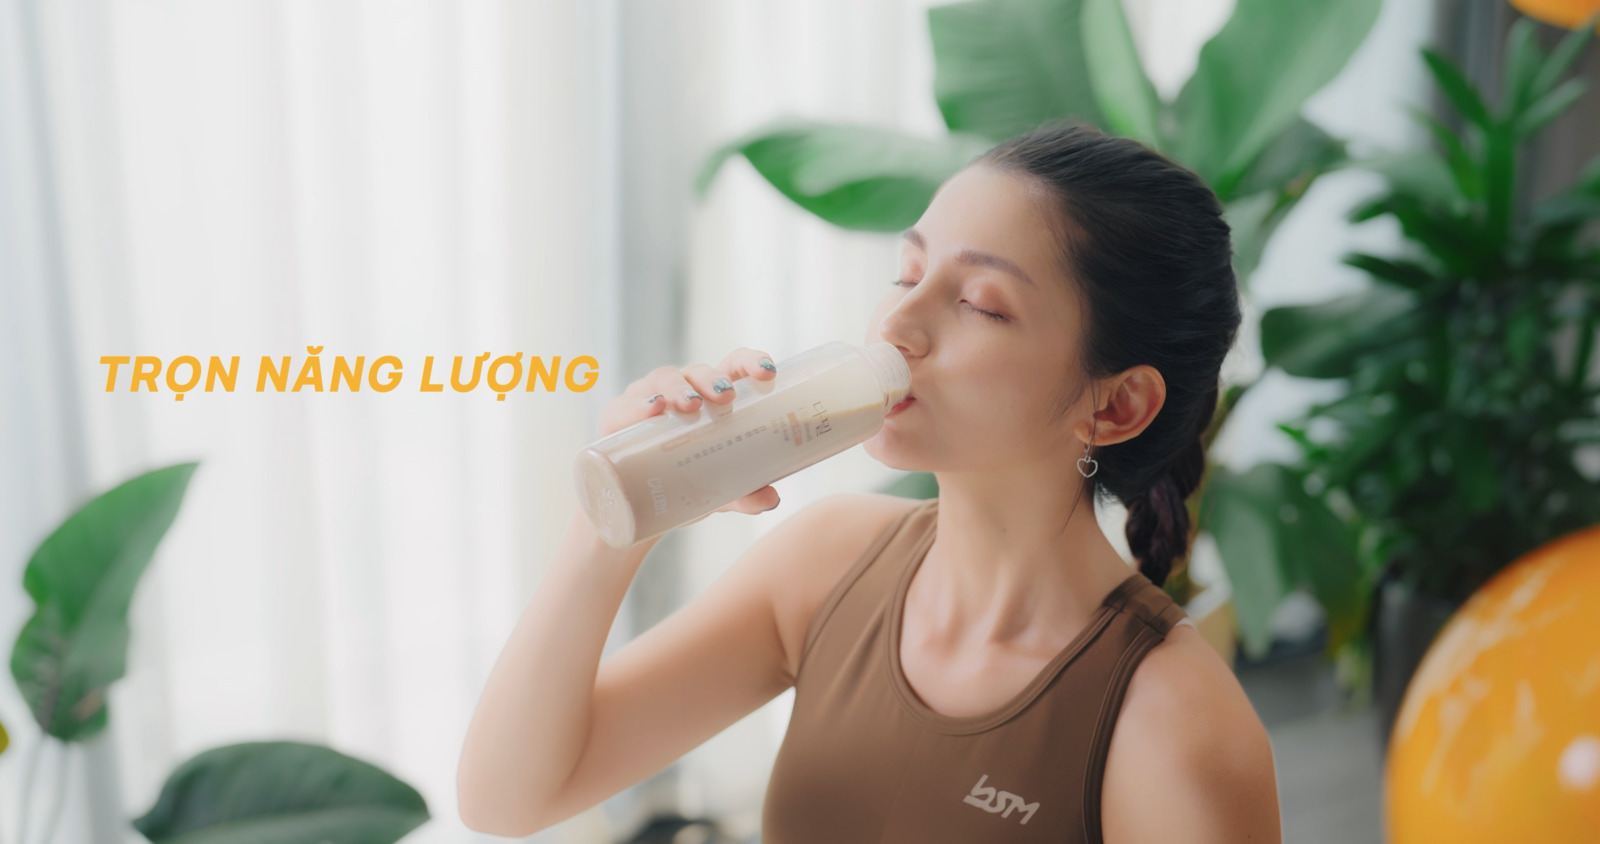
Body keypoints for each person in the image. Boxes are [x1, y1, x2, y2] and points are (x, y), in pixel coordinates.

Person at [457, 119, 1281, 843]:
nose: (895, 324)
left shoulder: (1173, 720)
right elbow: (508, 800)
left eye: (982, 305)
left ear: (1116, 406)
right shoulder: (824, 564)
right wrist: (615, 518)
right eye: (907, 271)